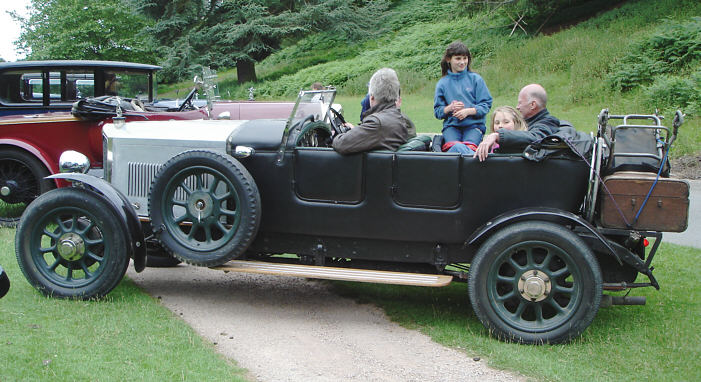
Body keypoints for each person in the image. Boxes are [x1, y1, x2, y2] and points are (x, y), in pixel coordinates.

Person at [333, 68, 416, 155]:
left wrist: (337, 135)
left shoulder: (377, 123)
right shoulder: (399, 118)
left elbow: (341, 144)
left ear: (372, 98)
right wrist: (353, 130)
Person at [474, 83, 560, 161]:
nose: (517, 107)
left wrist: (498, 135)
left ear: (533, 105)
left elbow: (535, 138)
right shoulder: (530, 122)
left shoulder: (548, 123)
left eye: (520, 103)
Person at [434, 41, 492, 155]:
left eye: (465, 58)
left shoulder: (476, 79)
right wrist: (449, 108)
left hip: (474, 126)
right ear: (448, 59)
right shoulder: (442, 84)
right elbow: (438, 112)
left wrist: (468, 111)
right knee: (454, 150)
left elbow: (486, 105)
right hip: (451, 127)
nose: (462, 62)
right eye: (458, 58)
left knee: (468, 151)